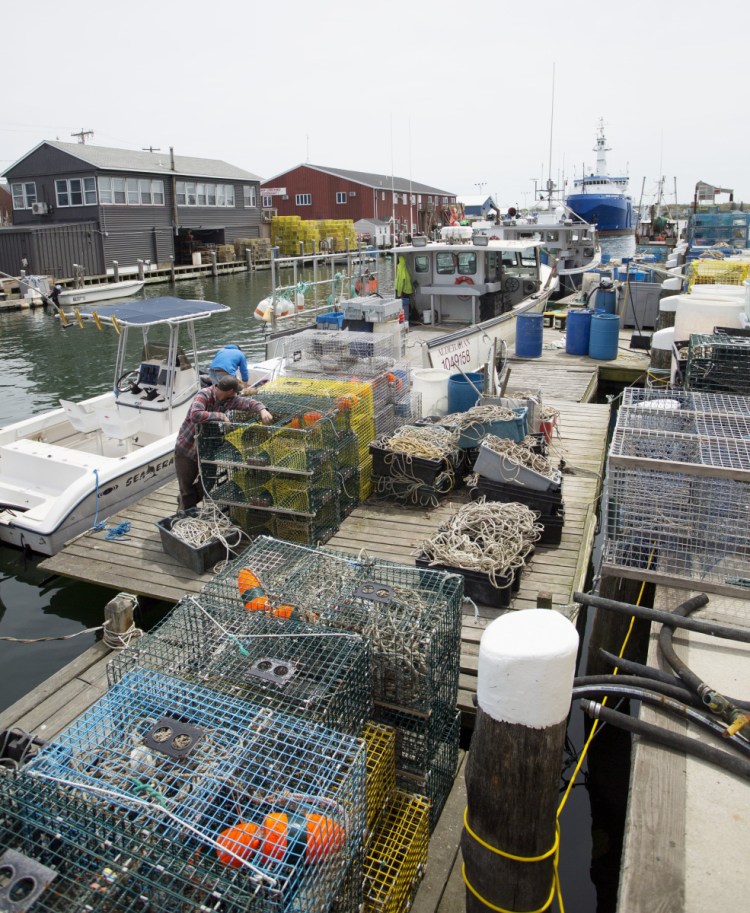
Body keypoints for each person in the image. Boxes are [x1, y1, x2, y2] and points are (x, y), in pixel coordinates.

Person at [174, 376, 272, 511]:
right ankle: (185, 514)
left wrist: (262, 410)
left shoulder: (230, 400)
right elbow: (195, 415)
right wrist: (221, 416)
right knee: (186, 486)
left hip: (207, 450)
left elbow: (248, 403)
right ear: (230, 390)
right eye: (235, 391)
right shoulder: (204, 394)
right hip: (187, 448)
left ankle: (185, 501)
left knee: (208, 482)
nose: (236, 394)